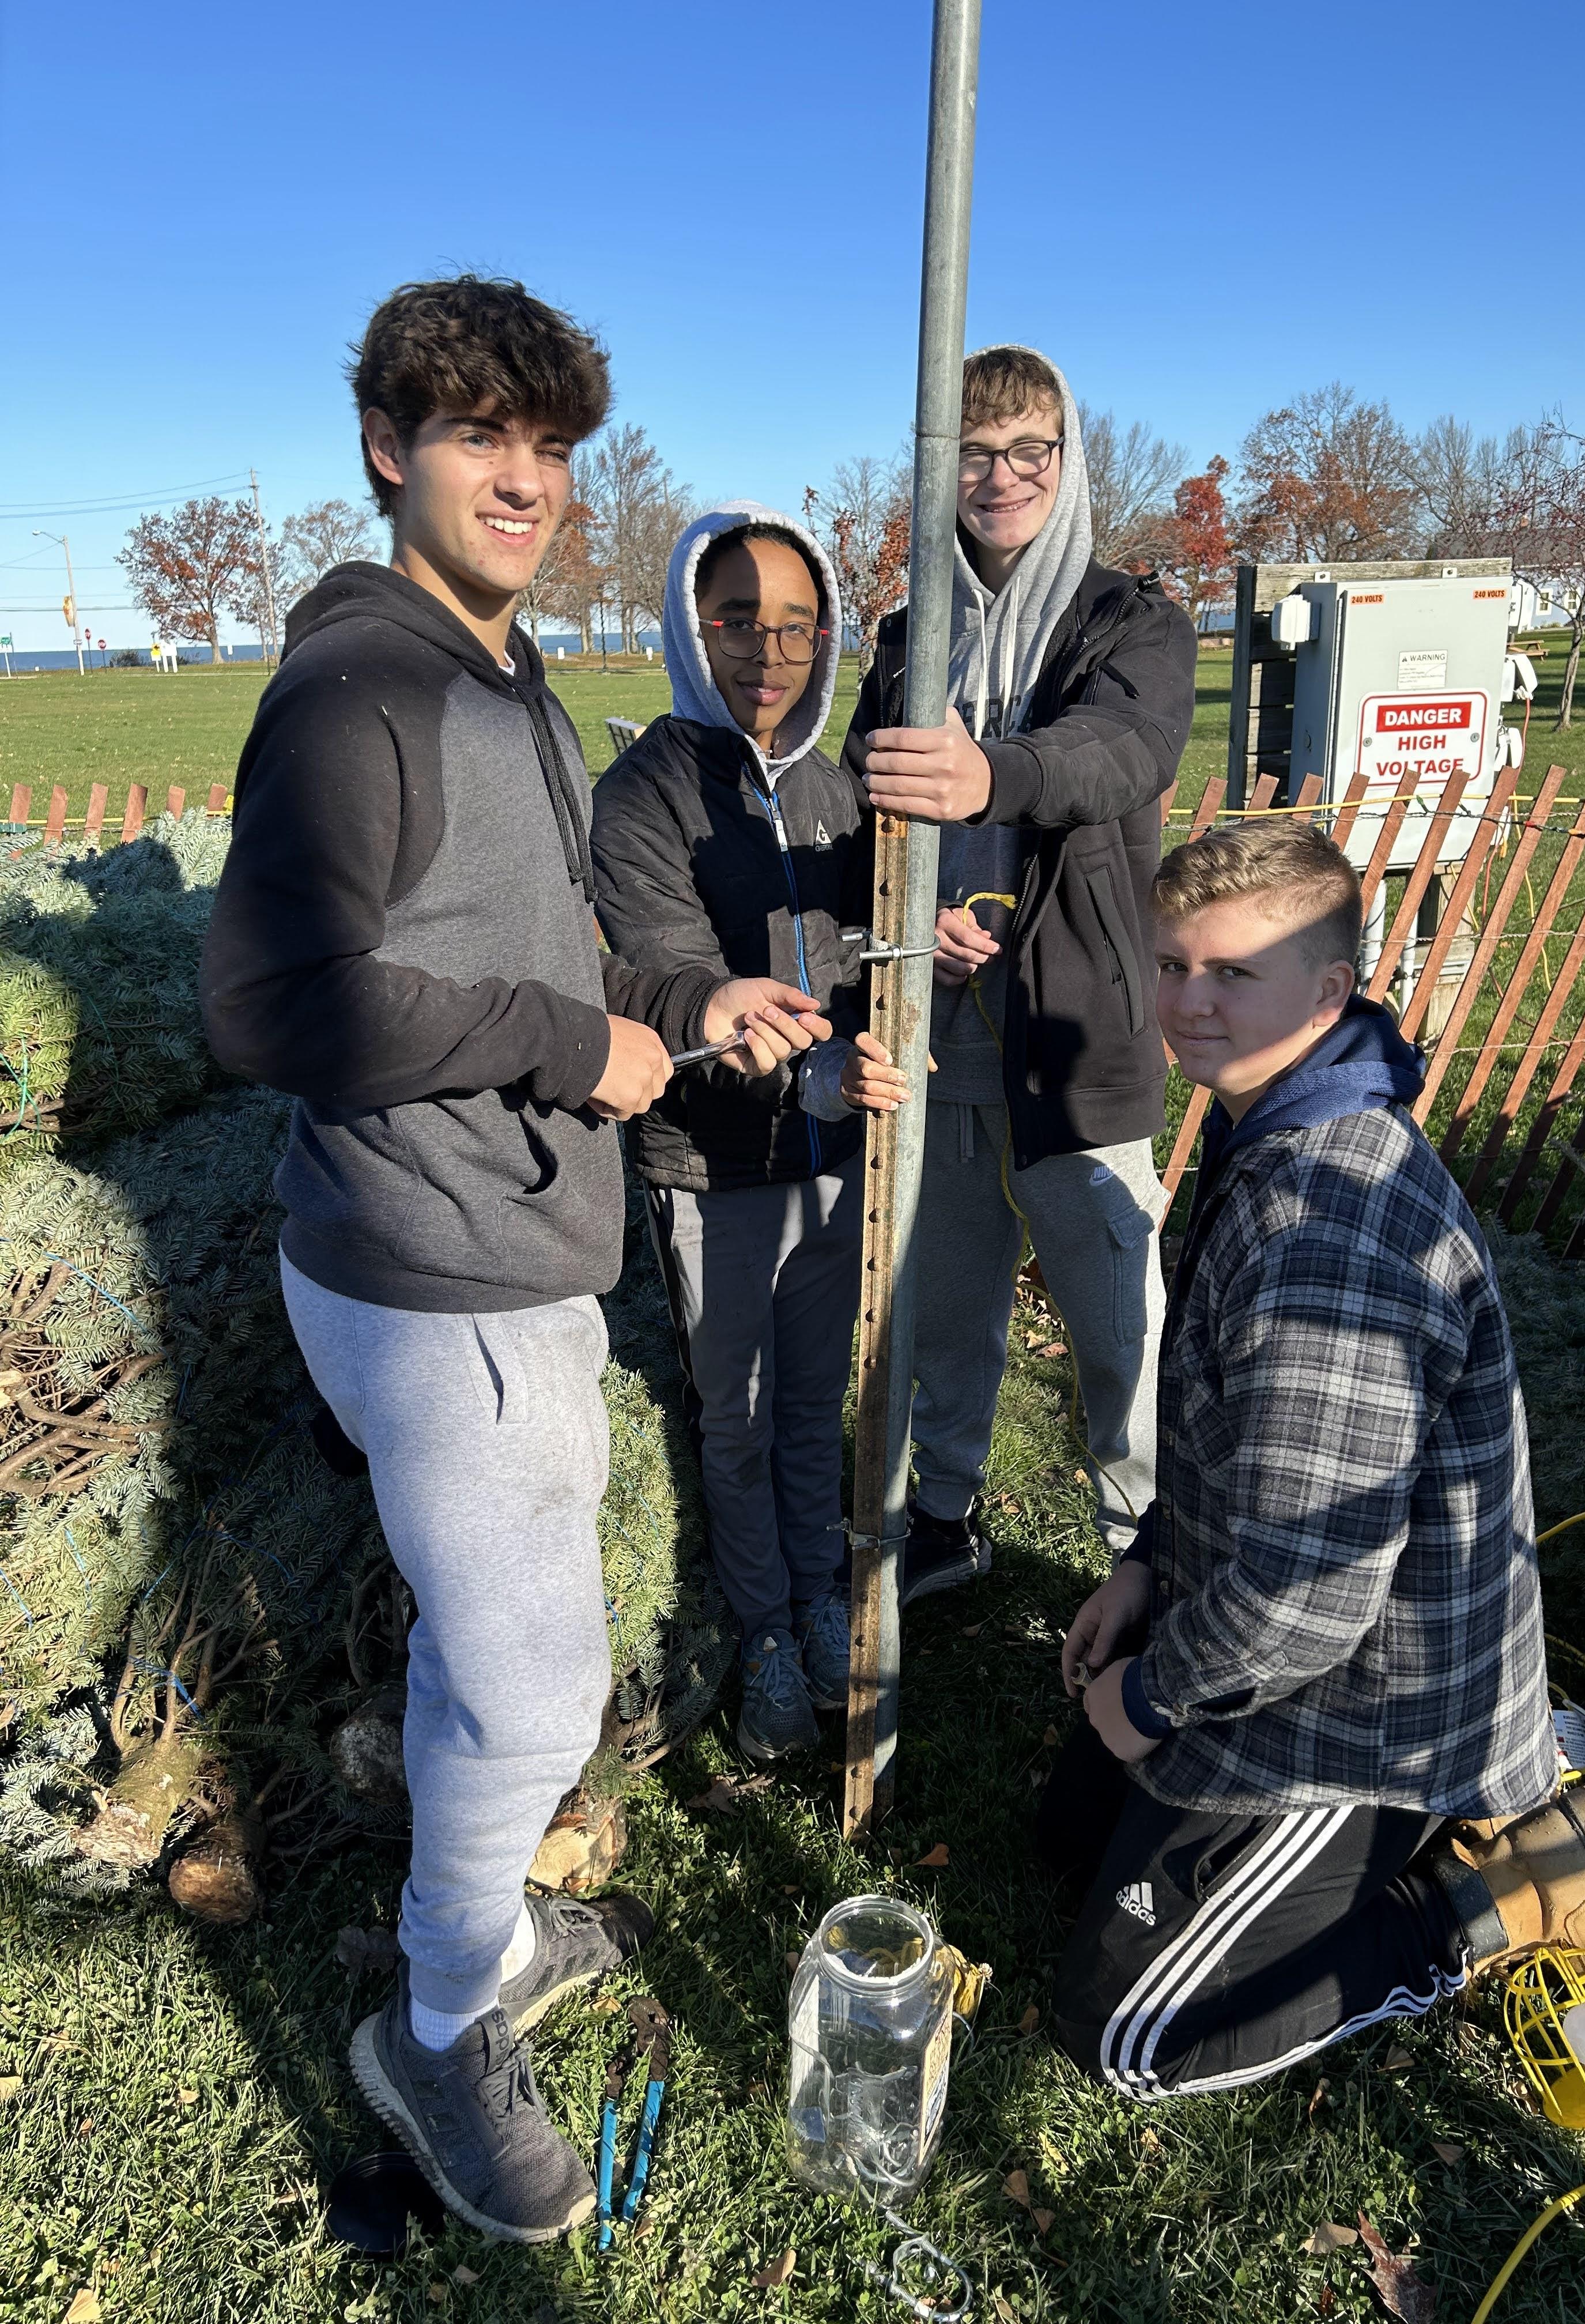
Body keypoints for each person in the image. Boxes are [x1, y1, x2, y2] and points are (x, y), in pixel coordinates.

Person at [200, 278, 827, 2241]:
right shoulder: (358, 690)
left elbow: (543, 957)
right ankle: (438, 2020)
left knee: (525, 1662)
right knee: (537, 1673)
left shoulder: (507, 684)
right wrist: (576, 1047)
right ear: (390, 448)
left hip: (523, 1239)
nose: (525, 480)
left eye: (551, 449)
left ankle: (471, 1921)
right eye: (483, 438)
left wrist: (683, 994)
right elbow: (274, 999)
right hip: (421, 1259)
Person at [1040, 819, 1585, 2098]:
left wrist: (1154, 1696)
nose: (1188, 1005)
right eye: (1171, 965)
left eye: (1232, 973)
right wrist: (1151, 1564)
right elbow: (1242, 1449)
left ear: (1333, 989)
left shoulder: (1334, 1229)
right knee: (1061, 1837)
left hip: (1366, 1711)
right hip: (1276, 1630)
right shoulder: (1266, 1120)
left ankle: (1482, 1897)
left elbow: (1309, 1602)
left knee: (1129, 2036)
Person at [845, 344, 1197, 1602]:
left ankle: (1143, 1545)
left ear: (1068, 458)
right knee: (947, 1301)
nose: (999, 478)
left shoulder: (1129, 623)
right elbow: (864, 799)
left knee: (1121, 1328)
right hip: (940, 1034)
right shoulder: (905, 640)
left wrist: (997, 773)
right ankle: (946, 1509)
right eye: (971, 454)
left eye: (1026, 451)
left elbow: (1125, 752)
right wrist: (908, 899)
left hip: (1076, 1032)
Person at [592, 505, 911, 1762]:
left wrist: (914, 964)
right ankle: (765, 1629)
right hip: (710, 1169)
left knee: (808, 1405)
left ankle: (823, 1604)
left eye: (796, 624)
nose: (769, 651)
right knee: (735, 1412)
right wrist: (806, 1083)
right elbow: (670, 981)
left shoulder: (839, 792)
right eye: (736, 621)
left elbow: (849, 958)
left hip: (831, 1168)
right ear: (689, 624)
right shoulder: (646, 795)